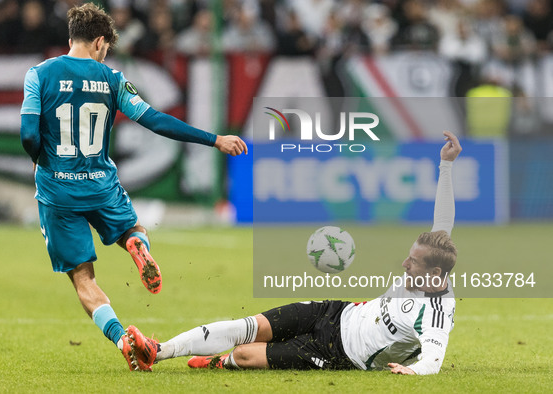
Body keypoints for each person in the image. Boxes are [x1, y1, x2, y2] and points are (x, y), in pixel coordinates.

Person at [19, 3, 247, 371]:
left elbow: (29, 134)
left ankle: (121, 337)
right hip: (101, 184)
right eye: (106, 46)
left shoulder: (39, 74)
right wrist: (214, 138)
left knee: (83, 278)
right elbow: (154, 120)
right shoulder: (111, 78)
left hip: (57, 189)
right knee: (134, 230)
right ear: (98, 41)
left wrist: (38, 157)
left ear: (71, 37)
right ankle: (136, 246)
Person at [125, 131, 462, 374]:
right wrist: (446, 166)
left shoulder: (435, 312)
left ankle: (220, 361)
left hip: (338, 353)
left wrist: (413, 372)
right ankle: (159, 350)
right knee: (250, 325)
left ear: (435, 274)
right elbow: (444, 218)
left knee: (244, 355)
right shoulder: (434, 255)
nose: (405, 263)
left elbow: (434, 358)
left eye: (413, 262)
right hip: (336, 312)